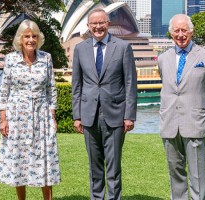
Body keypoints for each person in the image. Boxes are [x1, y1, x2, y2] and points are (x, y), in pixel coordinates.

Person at [71, 8, 137, 200]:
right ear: (88, 26)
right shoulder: (80, 49)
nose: (98, 27)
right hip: (89, 115)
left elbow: (130, 83)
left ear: (108, 24)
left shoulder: (123, 47)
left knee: (114, 165)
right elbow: (77, 84)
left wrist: (129, 115)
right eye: (94, 24)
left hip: (116, 114)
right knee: (94, 165)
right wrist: (77, 115)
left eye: (101, 23)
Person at [0, 19, 60, 200]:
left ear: (38, 38)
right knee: (19, 160)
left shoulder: (46, 58)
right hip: (17, 117)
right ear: (20, 39)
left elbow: (51, 89)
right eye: (27, 36)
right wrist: (3, 119)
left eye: (34, 36)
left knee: (45, 159)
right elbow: (4, 91)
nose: (31, 40)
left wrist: (52, 117)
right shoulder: (11, 59)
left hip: (42, 115)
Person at [158, 14, 205, 200]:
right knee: (175, 173)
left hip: (194, 123)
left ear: (191, 32)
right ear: (171, 33)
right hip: (170, 124)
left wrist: (197, 108)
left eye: (184, 30)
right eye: (176, 30)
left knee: (198, 175)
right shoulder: (163, 58)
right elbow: (169, 88)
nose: (181, 34)